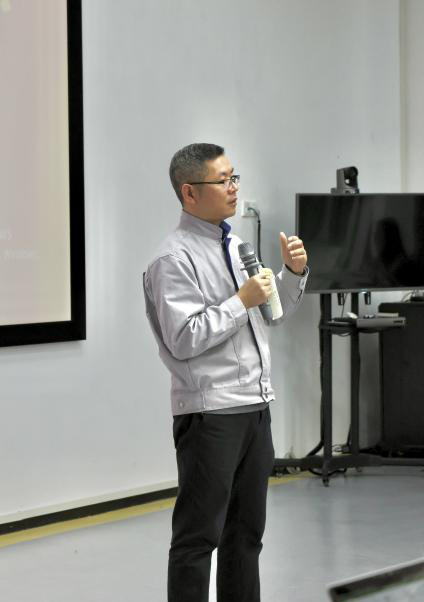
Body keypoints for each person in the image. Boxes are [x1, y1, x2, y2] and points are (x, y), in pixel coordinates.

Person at [143, 143, 308, 602]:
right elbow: (184, 337)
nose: (234, 188)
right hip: (210, 414)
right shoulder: (172, 259)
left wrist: (293, 273)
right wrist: (241, 301)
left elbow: (270, 314)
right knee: (198, 540)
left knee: (246, 536)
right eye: (223, 181)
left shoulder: (236, 247)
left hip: (255, 407)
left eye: (234, 177)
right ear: (189, 192)